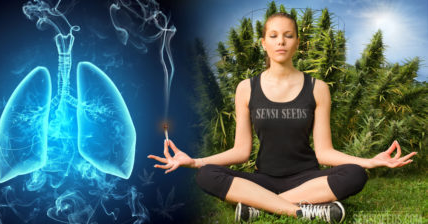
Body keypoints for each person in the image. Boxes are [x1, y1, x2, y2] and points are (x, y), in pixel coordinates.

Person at [148, 12, 417, 223]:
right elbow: (242, 151)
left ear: (297, 42)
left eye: (288, 36)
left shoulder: (318, 88)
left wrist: (369, 162)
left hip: (308, 179)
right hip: (263, 178)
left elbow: (324, 153)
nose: (281, 41)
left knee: (356, 175)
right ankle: (302, 211)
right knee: (206, 175)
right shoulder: (246, 88)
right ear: (263, 43)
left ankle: (259, 206)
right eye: (274, 35)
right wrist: (194, 161)